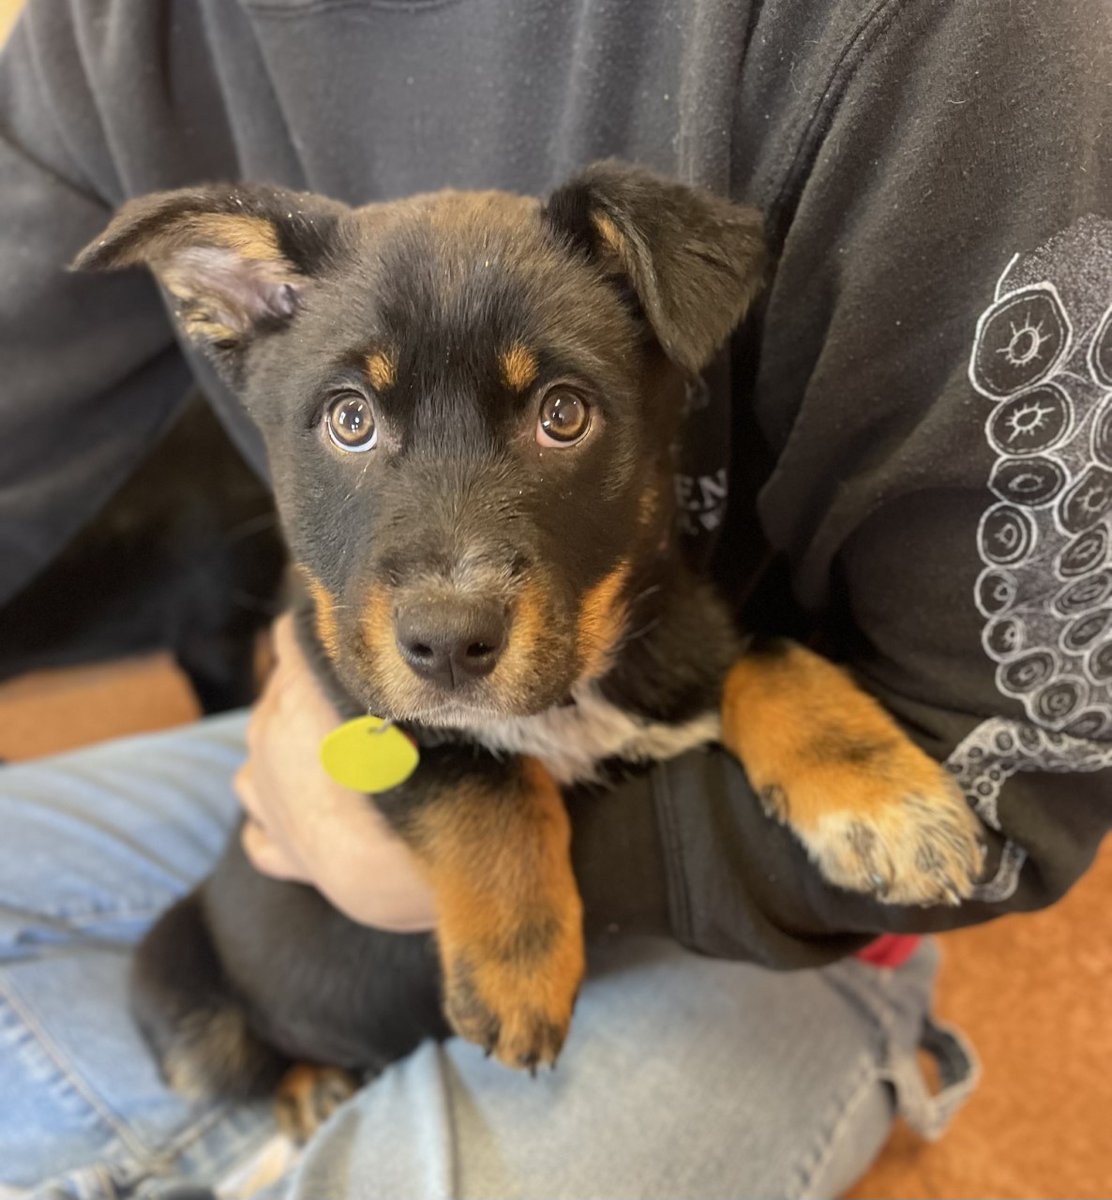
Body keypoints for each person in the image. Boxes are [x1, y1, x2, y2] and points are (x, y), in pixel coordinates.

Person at [1, 0, 1109, 1196]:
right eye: (353, 418)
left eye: (559, 414)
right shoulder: (116, 35)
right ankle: (268, 1109)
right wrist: (353, 797)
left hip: (767, 917)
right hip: (284, 873)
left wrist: (448, 865)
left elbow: (1008, 779)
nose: (448, 597)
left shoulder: (939, 39)